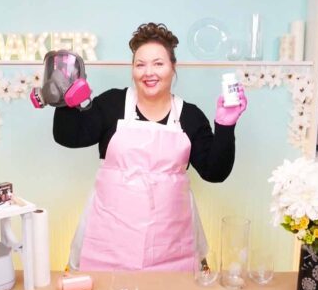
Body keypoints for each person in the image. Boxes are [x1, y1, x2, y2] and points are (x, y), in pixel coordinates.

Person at [53, 22, 247, 272]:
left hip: (172, 244)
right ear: (132, 70)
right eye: (140, 64)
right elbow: (68, 136)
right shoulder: (111, 104)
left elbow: (215, 172)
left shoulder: (190, 116)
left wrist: (225, 125)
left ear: (173, 67)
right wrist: (61, 97)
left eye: (158, 63)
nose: (148, 72)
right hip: (109, 240)